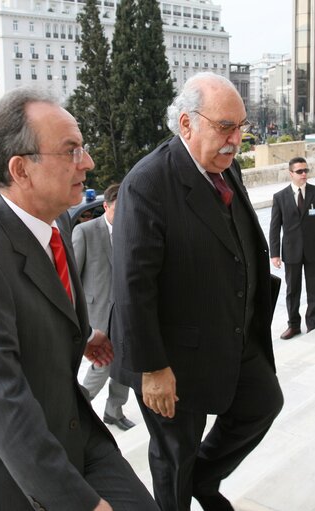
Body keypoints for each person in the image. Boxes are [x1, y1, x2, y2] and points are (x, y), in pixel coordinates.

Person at [0, 86, 158, 511]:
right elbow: (2, 406)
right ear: (21, 169)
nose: (89, 162)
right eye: (71, 151)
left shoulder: (55, 222)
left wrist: (83, 334)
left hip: (69, 428)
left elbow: (38, 302)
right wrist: (81, 504)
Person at [110, 72, 284, 511]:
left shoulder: (229, 167)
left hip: (232, 339)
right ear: (186, 124)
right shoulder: (147, 183)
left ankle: (203, 482)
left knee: (263, 403)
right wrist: (153, 369)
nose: (237, 139)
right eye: (225, 126)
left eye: (241, 127)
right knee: (173, 459)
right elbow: (133, 285)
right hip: (173, 359)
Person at [73, 183, 135, 431]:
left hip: (126, 313)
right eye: (118, 209)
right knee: (103, 365)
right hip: (98, 314)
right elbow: (73, 279)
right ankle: (77, 408)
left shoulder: (132, 230)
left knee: (126, 364)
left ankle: (114, 410)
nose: (123, 216)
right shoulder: (85, 232)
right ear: (106, 206)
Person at [269, 156, 315, 339]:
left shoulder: (314, 192)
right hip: (291, 252)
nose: (304, 174)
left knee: (313, 289)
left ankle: (312, 323)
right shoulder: (280, 197)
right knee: (292, 290)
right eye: (299, 171)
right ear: (291, 174)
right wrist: (274, 254)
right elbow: (274, 227)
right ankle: (293, 325)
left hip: (313, 251)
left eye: (306, 171)